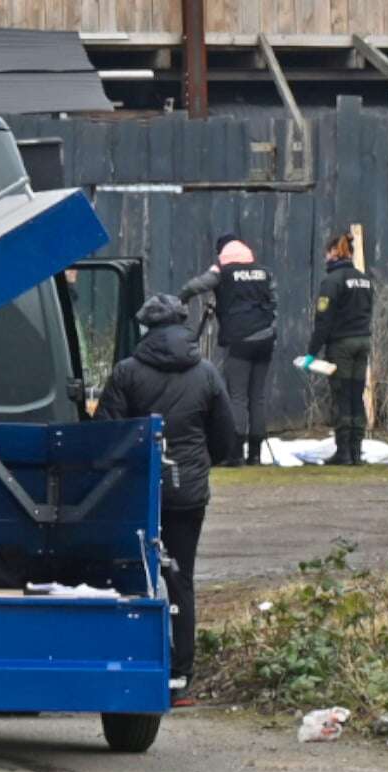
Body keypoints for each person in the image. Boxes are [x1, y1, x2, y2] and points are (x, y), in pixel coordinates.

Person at [95, 294, 236, 706]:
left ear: (146, 328)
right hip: (187, 492)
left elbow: (107, 432)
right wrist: (200, 460)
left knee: (129, 574)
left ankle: (127, 660)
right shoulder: (207, 374)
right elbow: (226, 438)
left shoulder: (127, 372)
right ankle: (179, 677)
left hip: (138, 490)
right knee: (181, 579)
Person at [178, 235, 276, 466]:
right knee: (257, 397)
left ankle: (235, 454)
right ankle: (255, 454)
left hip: (239, 339)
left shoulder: (223, 270)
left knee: (237, 397)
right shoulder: (263, 272)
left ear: (222, 252)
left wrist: (180, 299)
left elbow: (195, 286)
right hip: (266, 339)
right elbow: (274, 303)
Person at [301, 233, 373, 466]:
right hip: (363, 342)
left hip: (341, 345)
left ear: (333, 252)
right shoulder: (364, 279)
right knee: (356, 394)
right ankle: (356, 450)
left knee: (341, 395)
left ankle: (343, 452)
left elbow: (323, 320)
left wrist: (311, 352)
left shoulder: (332, 282)